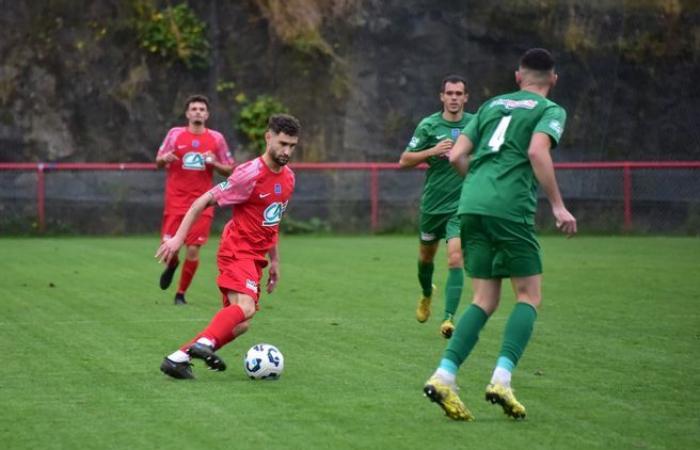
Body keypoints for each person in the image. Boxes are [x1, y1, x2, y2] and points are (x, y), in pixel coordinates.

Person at [422, 48, 577, 421]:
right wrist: (558, 205)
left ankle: (445, 375)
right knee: (528, 295)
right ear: (553, 79)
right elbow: (538, 151)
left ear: (518, 76)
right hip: (509, 209)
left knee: (484, 299)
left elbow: (457, 156)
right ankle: (501, 379)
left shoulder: (491, 106)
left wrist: (478, 186)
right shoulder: (549, 110)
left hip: (470, 204)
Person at [156, 113, 301, 380]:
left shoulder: (289, 179)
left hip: (256, 257)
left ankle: (177, 359)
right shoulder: (250, 173)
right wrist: (177, 239)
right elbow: (202, 200)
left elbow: (273, 222)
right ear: (268, 137)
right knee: (245, 307)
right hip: (237, 250)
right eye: (282, 143)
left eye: (292, 145)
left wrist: (276, 261)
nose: (286, 151)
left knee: (241, 323)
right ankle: (206, 345)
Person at [399, 75, 473, 338]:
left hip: (461, 205)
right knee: (425, 258)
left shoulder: (475, 124)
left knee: (455, 257)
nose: (454, 98)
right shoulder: (429, 125)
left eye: (459, 93)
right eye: (449, 93)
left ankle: (448, 319)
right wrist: (432, 151)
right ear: (442, 96)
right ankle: (427, 294)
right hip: (433, 205)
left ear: (466, 97)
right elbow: (404, 160)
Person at [155, 95, 234, 305]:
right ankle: (172, 266)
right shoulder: (175, 135)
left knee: (192, 249)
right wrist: (165, 159)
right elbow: (158, 162)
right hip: (175, 202)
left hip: (202, 203)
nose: (198, 112)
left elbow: (230, 169)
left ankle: (180, 294)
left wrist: (214, 162)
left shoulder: (216, 139)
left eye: (201, 109)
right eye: (194, 108)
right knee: (169, 250)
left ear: (207, 114)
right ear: (187, 113)